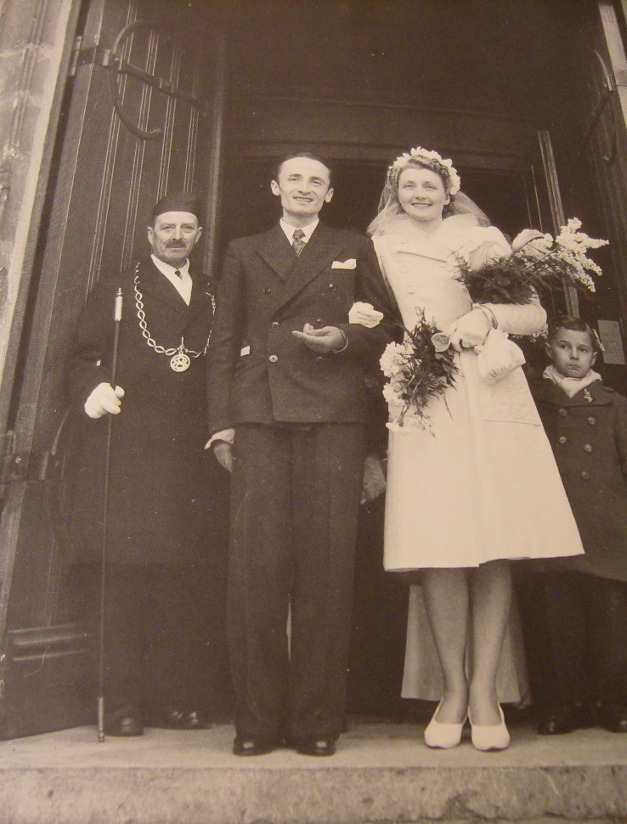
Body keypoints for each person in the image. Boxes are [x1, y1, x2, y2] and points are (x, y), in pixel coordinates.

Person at [366, 148, 584, 751]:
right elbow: (376, 317)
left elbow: (534, 315)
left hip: (485, 387)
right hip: (422, 389)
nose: (419, 194)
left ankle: (487, 693)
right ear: (395, 193)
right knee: (439, 542)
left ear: (447, 191)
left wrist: (485, 315)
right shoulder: (378, 246)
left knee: (494, 539)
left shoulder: (481, 239)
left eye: (429, 185)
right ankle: (452, 692)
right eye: (408, 186)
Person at [206, 151, 400, 757]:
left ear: (330, 194)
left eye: (317, 181)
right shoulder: (243, 249)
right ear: (275, 187)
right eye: (295, 178)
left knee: (326, 572)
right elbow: (223, 343)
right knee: (256, 573)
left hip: (334, 418)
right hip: (261, 416)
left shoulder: (352, 245)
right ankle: (257, 723)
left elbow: (389, 328)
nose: (305, 188)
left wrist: (344, 337)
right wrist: (222, 425)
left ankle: (317, 721)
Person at [66, 193, 227, 737]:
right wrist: (92, 390)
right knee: (127, 580)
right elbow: (81, 355)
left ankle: (178, 700)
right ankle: (124, 704)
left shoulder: (216, 293)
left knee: (184, 584)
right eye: (167, 228)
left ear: (199, 236)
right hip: (131, 449)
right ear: (149, 234)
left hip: (193, 458)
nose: (177, 236)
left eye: (187, 228)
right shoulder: (117, 289)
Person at [530, 315, 627, 735]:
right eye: (565, 347)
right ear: (550, 349)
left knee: (611, 619)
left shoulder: (614, 402)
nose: (574, 357)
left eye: (583, 350)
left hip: (605, 525)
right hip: (556, 520)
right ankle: (565, 702)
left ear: (594, 355)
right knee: (558, 618)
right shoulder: (535, 398)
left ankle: (611, 700)